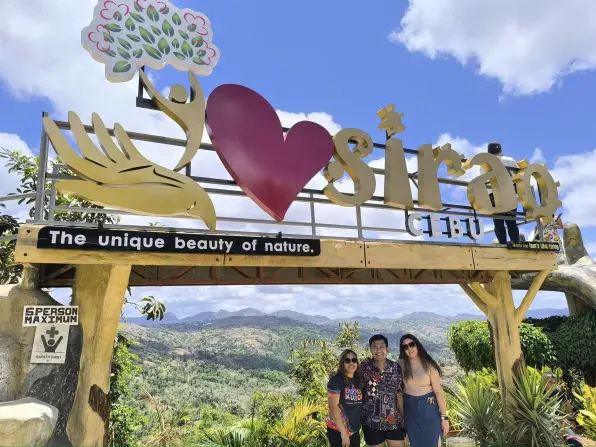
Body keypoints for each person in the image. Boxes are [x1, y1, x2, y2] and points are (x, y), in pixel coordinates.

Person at [399, 334, 448, 447]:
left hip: (429, 411)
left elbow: (439, 392)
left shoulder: (429, 365)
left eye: (411, 344)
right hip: (411, 413)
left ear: (417, 345)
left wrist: (444, 418)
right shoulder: (400, 365)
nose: (409, 349)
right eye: (405, 347)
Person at [359, 334, 406, 447]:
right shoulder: (364, 367)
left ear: (387, 349)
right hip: (371, 422)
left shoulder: (395, 368)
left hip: (394, 421)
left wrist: (404, 417)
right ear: (370, 349)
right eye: (374, 347)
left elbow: (399, 394)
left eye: (381, 347)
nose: (378, 350)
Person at [327, 349, 364, 447]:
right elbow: (333, 407)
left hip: (354, 431)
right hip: (338, 431)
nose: (351, 363)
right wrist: (343, 432)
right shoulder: (336, 381)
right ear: (342, 363)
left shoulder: (357, 381)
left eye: (354, 360)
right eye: (347, 360)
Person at [487, 142, 520, 245]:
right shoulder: (510, 160)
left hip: (494, 194)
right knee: (511, 222)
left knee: (498, 222)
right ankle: (516, 243)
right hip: (509, 192)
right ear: (500, 151)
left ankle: (502, 245)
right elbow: (517, 175)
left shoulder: (485, 163)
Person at [544, 373, 583, 447]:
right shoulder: (537, 392)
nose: (552, 384)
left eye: (554, 382)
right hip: (544, 424)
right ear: (543, 382)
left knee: (576, 443)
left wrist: (571, 419)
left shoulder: (558, 391)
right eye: (550, 382)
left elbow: (567, 404)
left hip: (560, 422)